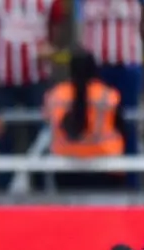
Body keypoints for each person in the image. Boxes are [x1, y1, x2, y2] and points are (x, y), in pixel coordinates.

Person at [43, 49, 125, 190]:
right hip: (105, 168)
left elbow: (48, 120)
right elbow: (121, 128)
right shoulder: (107, 95)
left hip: (64, 170)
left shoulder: (55, 95)